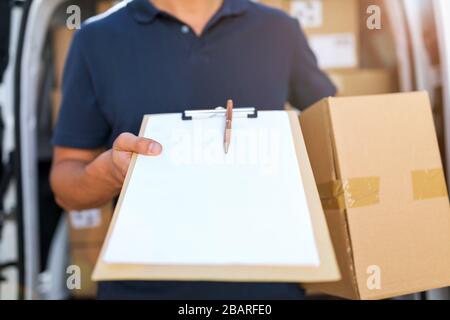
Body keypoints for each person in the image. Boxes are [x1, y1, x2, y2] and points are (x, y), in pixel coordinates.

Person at [50, 0, 336, 299]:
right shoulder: (96, 39)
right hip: (143, 287)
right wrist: (110, 172)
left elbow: (339, 134)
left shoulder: (278, 29)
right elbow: (65, 184)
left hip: (266, 285)